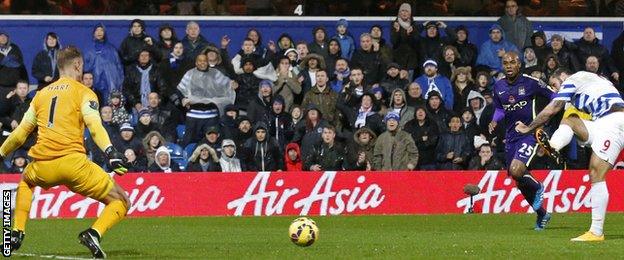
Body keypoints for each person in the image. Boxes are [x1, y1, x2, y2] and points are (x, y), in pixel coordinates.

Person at [0, 46, 129, 258]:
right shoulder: (84, 92)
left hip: (43, 166)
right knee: (122, 201)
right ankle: (94, 233)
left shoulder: (40, 95)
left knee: (26, 181)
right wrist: (110, 151)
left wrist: (1, 153)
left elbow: (20, 133)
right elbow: (95, 125)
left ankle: (16, 232)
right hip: (73, 165)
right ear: (77, 65)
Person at [515, 69, 624, 241]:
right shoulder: (591, 82)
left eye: (554, 84)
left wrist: (529, 127)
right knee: (570, 120)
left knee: (596, 171)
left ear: (563, 76)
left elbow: (553, 108)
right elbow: (563, 119)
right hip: (602, 123)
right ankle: (554, 147)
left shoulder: (573, 79)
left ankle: (596, 232)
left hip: (615, 121)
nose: (555, 89)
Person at [488, 52, 553, 231]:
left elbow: (554, 97)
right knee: (520, 181)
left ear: (519, 64)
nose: (508, 66)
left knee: (517, 170)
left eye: (512, 62)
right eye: (505, 63)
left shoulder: (530, 82)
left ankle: (539, 186)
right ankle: (542, 214)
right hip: (510, 137)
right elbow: (500, 109)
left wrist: (543, 119)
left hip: (528, 134)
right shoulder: (499, 85)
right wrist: (494, 120)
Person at [177, 53, 236, 146]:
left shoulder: (215, 73)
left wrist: (233, 84)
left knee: (212, 144)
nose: (202, 63)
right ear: (196, 63)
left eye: (204, 61)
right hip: (193, 116)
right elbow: (180, 89)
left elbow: (228, 84)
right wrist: (183, 99)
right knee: (188, 143)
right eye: (200, 61)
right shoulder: (190, 74)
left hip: (211, 116)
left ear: (208, 62)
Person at [83, 23, 124, 104]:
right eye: (97, 30)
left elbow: (119, 68)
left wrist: (119, 84)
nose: (99, 32)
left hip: (110, 86)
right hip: (94, 87)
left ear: (105, 32)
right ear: (93, 33)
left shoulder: (112, 49)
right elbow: (85, 69)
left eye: (101, 30)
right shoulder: (88, 50)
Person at [390, 3, 419, 78]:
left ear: (410, 13)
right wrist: (397, 31)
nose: (404, 13)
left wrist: (410, 34)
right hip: (398, 62)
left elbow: (415, 44)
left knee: (409, 86)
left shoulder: (414, 25)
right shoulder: (395, 24)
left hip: (410, 63)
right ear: (399, 13)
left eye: (407, 11)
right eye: (402, 11)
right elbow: (394, 42)